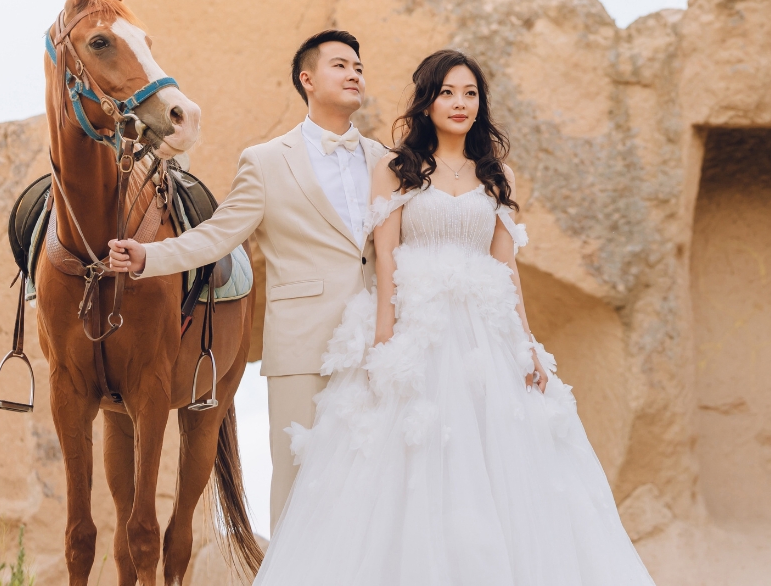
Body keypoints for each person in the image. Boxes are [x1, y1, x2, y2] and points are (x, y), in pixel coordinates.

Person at [252, 49, 657, 585]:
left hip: (485, 335)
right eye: (447, 92)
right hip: (418, 330)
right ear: (427, 101)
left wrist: (527, 343)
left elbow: (507, 269)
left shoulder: (496, 175)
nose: (460, 103)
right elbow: (387, 259)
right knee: (407, 466)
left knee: (501, 464)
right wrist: (384, 340)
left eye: (470, 94)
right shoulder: (395, 169)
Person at [107, 29, 388, 532]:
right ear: (307, 79)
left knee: (377, 483)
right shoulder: (265, 161)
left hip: (380, 346)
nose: (354, 74)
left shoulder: (388, 162)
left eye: (359, 68)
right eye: (341, 65)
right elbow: (217, 237)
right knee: (298, 486)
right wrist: (147, 256)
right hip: (304, 345)